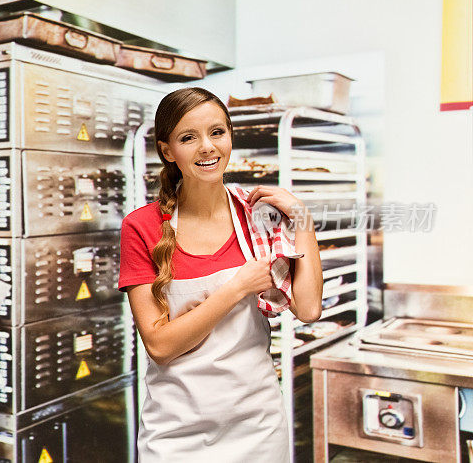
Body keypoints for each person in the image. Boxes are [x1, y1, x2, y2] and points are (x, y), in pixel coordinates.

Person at [118, 88, 323, 462]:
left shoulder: (258, 215)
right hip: (177, 432)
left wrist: (302, 216)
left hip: (257, 428)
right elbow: (160, 346)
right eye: (188, 138)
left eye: (217, 132)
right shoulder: (142, 227)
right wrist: (238, 287)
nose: (207, 148)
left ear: (230, 136)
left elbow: (308, 309)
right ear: (167, 151)